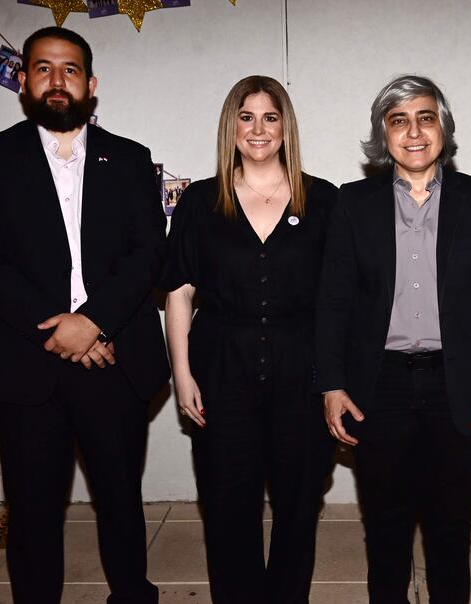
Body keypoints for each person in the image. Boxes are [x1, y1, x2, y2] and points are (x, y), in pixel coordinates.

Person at [0, 27, 169, 604]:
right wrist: (60, 329)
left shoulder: (129, 159)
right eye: (44, 68)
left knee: (121, 503)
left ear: (90, 83)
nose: (58, 80)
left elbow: (147, 252)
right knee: (31, 511)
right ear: (24, 80)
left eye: (70, 69)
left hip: (113, 358)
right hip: (26, 366)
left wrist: (93, 321)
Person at [315, 75, 471, 604]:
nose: (413, 131)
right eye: (398, 120)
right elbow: (334, 302)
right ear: (383, 135)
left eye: (425, 117)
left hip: (459, 382)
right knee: (385, 530)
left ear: (443, 129)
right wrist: (331, 384)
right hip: (378, 384)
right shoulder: (352, 203)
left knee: (451, 529)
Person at [161, 75, 337, 604]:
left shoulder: (324, 200)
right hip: (220, 368)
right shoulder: (198, 201)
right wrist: (183, 374)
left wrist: (336, 380)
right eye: (245, 116)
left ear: (285, 127)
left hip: (302, 372)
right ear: (231, 127)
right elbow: (178, 293)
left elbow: (341, 301)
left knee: (299, 504)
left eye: (270, 116)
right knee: (226, 505)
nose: (258, 128)